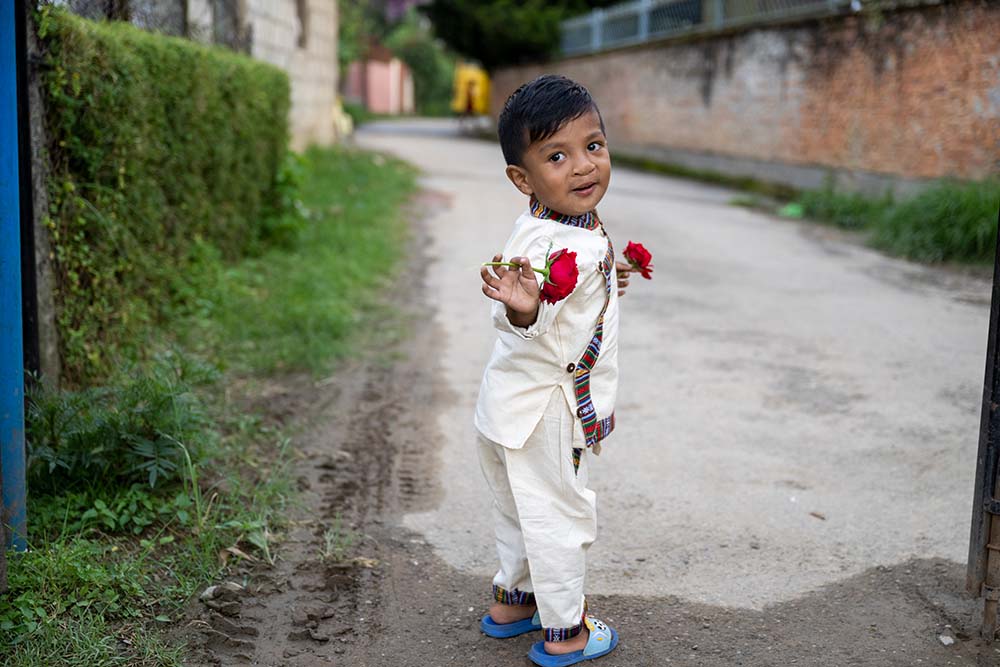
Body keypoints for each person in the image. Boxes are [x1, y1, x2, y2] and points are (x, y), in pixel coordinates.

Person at [476, 74, 633, 666]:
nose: (584, 167)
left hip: (504, 407)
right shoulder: (559, 250)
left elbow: (569, 294)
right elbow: (533, 310)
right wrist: (525, 308)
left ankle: (514, 601)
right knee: (560, 516)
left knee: (519, 509)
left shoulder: (549, 223)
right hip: (546, 414)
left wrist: (608, 283)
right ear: (522, 178)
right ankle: (565, 630)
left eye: (593, 146)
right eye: (557, 156)